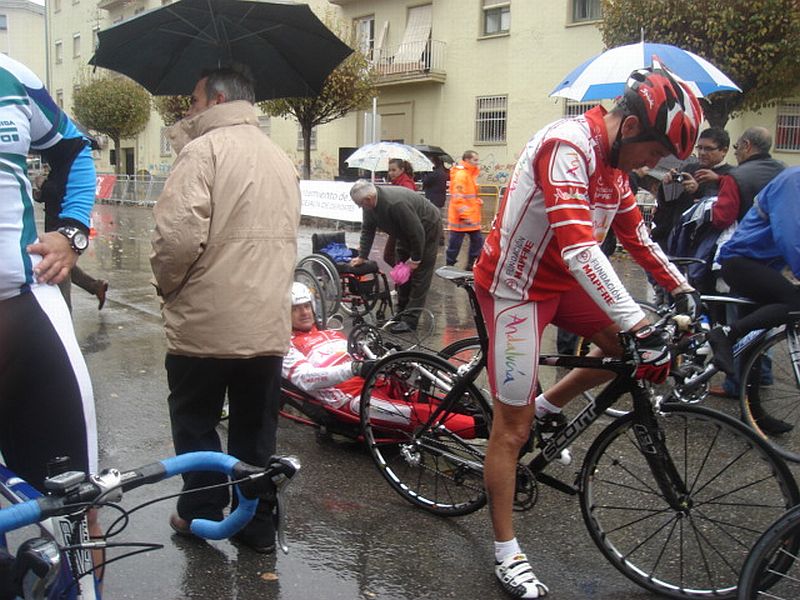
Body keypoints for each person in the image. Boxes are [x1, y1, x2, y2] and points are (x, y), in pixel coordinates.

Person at [471, 62, 703, 598]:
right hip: (516, 288)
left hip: (563, 283)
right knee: (511, 429)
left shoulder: (617, 169)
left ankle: (549, 404)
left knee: (627, 354)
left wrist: (682, 288)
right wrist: (640, 322)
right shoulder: (567, 146)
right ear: (630, 127)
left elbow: (638, 237)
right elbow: (580, 246)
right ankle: (506, 551)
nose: (654, 164)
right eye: (654, 152)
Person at [150, 67, 301, 554]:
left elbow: (176, 241)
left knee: (196, 423)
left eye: (194, 100)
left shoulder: (202, 152)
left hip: (205, 323)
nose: (189, 109)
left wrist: (169, 289)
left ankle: (200, 511)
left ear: (216, 99)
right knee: (256, 431)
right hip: (266, 323)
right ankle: (257, 527)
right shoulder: (280, 157)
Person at [0, 54, 98, 493]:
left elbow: (74, 148)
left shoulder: (13, 77)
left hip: (23, 301)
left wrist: (72, 232)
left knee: (76, 493)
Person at [283, 283, 480, 434]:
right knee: (419, 414)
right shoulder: (286, 346)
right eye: (296, 308)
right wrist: (354, 368)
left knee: (429, 398)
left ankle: (482, 416)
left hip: (378, 381)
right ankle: (483, 430)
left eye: (307, 306)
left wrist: (383, 352)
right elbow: (305, 378)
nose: (304, 312)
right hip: (353, 399)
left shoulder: (332, 333)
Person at [706, 167, 800, 433]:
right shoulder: (794, 180)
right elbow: (789, 233)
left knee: (756, 342)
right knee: (795, 304)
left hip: (760, 265)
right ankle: (726, 334)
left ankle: (753, 414)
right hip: (741, 262)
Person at [349, 180, 442, 334]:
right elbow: (367, 229)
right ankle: (401, 312)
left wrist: (416, 259)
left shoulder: (395, 204)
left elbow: (417, 232)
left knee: (420, 275)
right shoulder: (369, 205)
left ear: (369, 199)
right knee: (402, 271)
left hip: (427, 226)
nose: (360, 207)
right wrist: (362, 256)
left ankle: (410, 320)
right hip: (403, 231)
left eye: (360, 204)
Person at [33, 171, 109, 310]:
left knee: (60, 268)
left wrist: (43, 184)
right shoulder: (57, 168)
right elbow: (50, 195)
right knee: (60, 262)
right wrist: (39, 194)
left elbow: (61, 191)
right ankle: (95, 286)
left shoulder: (69, 168)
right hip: (54, 224)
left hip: (64, 226)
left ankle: (66, 314)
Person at [446, 150, 483, 270]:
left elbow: (467, 196)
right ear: (467, 160)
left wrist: (477, 201)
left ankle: (469, 264)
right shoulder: (462, 175)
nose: (477, 162)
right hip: (462, 219)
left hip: (467, 218)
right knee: (456, 244)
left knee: (476, 242)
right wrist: (465, 215)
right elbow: (458, 198)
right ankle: (450, 265)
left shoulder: (468, 174)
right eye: (475, 160)